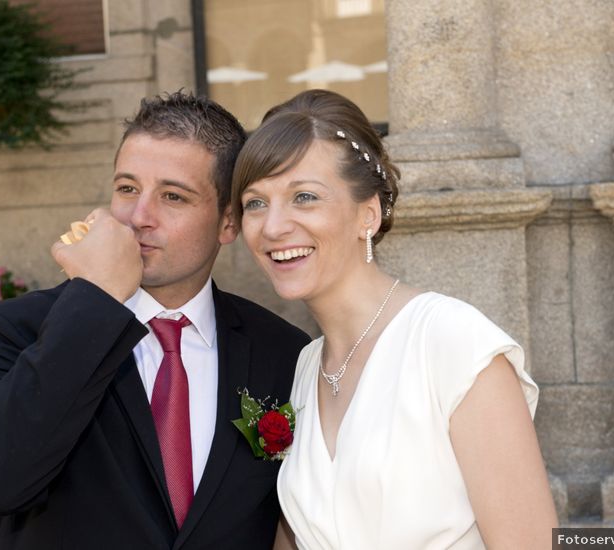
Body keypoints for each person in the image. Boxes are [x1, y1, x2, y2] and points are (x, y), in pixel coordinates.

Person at [0, 91, 310, 549]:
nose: (138, 217)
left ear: (228, 223)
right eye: (127, 189)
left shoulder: (284, 351)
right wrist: (96, 301)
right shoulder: (12, 329)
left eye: (173, 196)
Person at [230, 89, 558, 549]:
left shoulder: (451, 345)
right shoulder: (304, 369)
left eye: (303, 197)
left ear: (368, 214)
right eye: (255, 203)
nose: (273, 226)